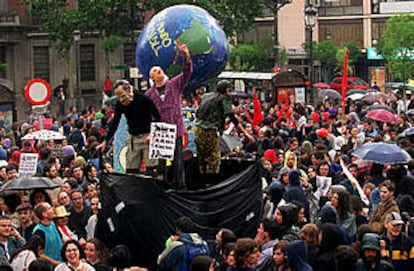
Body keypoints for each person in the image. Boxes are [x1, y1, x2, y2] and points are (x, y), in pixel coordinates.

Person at [145, 40, 192, 189]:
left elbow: (186, 73)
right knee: (162, 163)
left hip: (175, 130)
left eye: (160, 71)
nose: (160, 73)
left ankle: (180, 188)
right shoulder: (149, 94)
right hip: (160, 134)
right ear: (152, 78)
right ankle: (163, 186)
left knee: (178, 161)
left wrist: (186, 56)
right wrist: (148, 133)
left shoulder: (174, 84)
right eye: (156, 72)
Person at [97, 79, 161, 175]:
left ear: (129, 91)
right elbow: (115, 123)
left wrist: (152, 134)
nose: (122, 100)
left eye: (123, 96)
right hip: (133, 139)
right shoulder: (120, 104)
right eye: (118, 97)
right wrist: (106, 141)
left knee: (151, 170)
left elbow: (157, 118)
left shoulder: (144, 99)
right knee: (131, 171)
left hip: (148, 137)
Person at [195, 80, 242, 185]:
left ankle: (201, 182)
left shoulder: (206, 96)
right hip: (211, 131)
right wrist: (244, 131)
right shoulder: (224, 99)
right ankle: (211, 183)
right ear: (225, 90)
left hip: (198, 129)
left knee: (202, 156)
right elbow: (231, 115)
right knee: (214, 158)